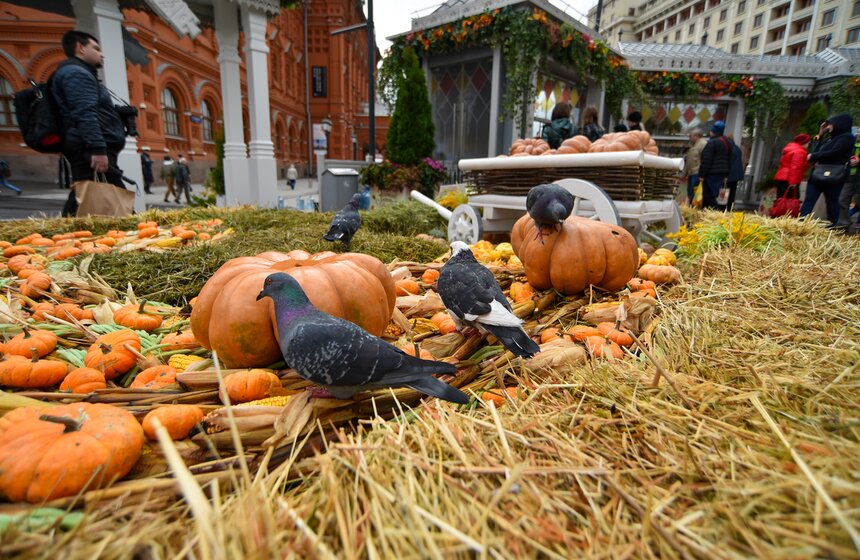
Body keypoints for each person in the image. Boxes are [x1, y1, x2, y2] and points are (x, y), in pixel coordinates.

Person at [52, 30, 128, 217]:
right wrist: (98, 149)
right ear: (80, 48)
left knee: (86, 191)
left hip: (88, 145)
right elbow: (84, 113)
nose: (101, 53)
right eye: (96, 48)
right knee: (97, 192)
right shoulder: (76, 74)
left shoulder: (79, 73)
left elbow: (87, 108)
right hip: (88, 147)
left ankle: (65, 231)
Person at [800, 113, 854, 226]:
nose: (827, 126)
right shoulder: (829, 139)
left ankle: (832, 226)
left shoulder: (847, 138)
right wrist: (820, 135)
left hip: (835, 176)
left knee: (831, 202)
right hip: (818, 173)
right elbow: (816, 151)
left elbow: (833, 153)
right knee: (809, 199)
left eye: (830, 124)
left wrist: (813, 156)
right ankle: (801, 223)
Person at [698, 120, 731, 209]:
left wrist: (702, 174)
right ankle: (715, 210)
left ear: (713, 131)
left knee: (708, 195)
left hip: (711, 173)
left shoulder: (712, 143)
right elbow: (730, 159)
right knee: (716, 195)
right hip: (722, 173)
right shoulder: (727, 142)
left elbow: (707, 160)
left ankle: (715, 210)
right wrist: (726, 174)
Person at [773, 134, 810, 200]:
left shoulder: (790, 149)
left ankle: (779, 210)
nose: (809, 145)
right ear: (804, 142)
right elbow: (796, 167)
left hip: (782, 177)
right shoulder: (800, 152)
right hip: (789, 179)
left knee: (781, 200)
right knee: (791, 201)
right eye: (808, 142)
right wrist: (793, 182)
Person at [836, 127, 860, 231]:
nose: (859, 133)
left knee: (858, 202)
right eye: (859, 131)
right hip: (850, 176)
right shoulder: (852, 143)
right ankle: (843, 223)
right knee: (842, 199)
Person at [683, 128, 707, 205]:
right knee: (690, 192)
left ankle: (694, 209)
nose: (689, 138)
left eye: (691, 136)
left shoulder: (703, 144)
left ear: (696, 136)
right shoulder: (693, 145)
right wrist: (684, 173)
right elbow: (689, 160)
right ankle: (691, 208)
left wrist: (702, 174)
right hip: (691, 172)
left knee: (695, 193)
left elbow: (705, 159)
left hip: (697, 173)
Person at [724, 133, 744, 210]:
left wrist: (725, 174)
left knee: (726, 190)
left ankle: (725, 206)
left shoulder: (729, 149)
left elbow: (728, 162)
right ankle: (730, 207)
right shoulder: (737, 148)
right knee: (732, 192)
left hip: (730, 173)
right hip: (737, 174)